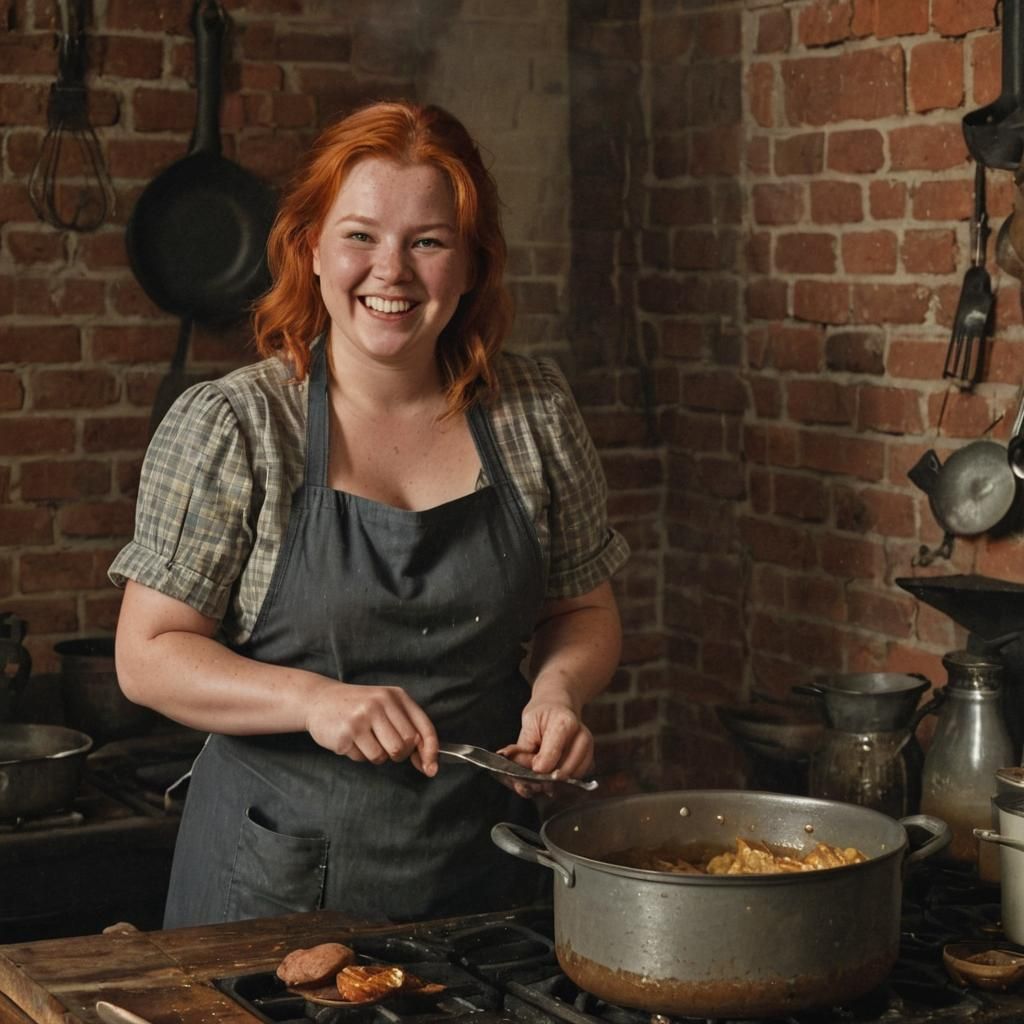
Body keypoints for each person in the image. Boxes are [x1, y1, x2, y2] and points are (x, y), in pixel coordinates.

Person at [108, 99, 629, 928]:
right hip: (273, 888)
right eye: (360, 236)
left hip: (484, 880)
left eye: (427, 241)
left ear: (470, 263)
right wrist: (316, 701)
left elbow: (583, 610)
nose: (392, 271)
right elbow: (148, 656)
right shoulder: (237, 426)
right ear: (310, 247)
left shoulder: (533, 412)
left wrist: (558, 693)